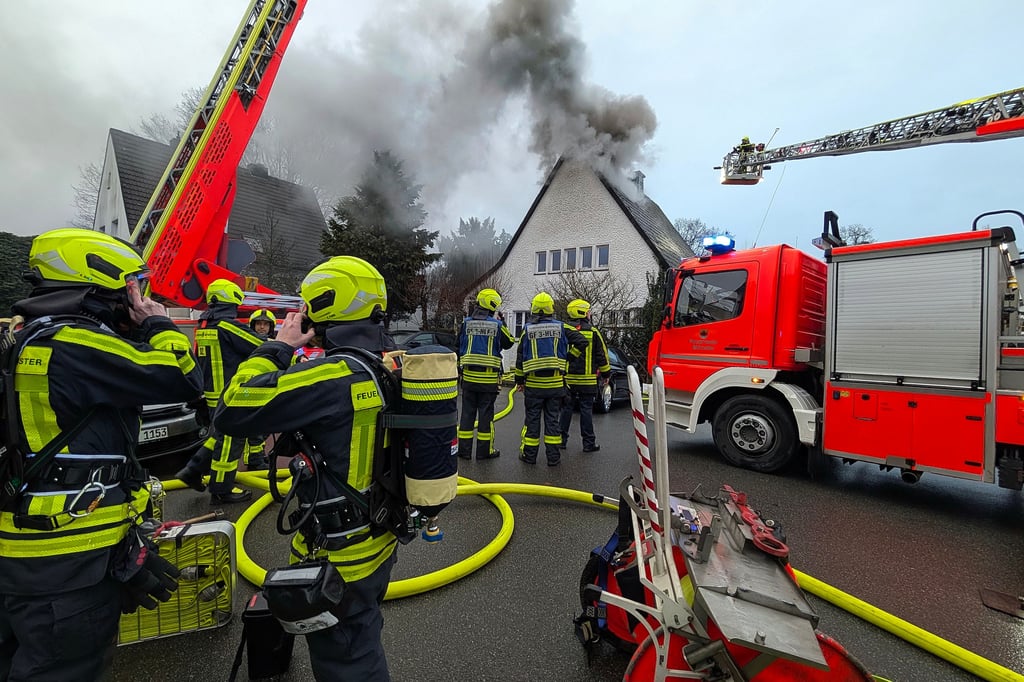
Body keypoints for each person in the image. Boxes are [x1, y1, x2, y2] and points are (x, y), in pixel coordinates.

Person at [0, 229, 202, 680]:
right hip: (67, 562)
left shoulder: (24, 337)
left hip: (24, 550)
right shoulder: (76, 341)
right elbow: (181, 377)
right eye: (133, 287)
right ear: (105, 285)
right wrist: (159, 324)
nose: (139, 297)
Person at [213, 255, 399, 681]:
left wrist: (277, 346)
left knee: (347, 661)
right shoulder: (381, 366)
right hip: (377, 539)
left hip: (340, 555)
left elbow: (232, 408)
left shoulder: (331, 376)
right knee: (361, 639)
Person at [175, 279, 265, 501]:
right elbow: (261, 345)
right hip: (229, 393)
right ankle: (221, 489)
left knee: (220, 435)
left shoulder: (204, 326)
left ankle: (193, 471)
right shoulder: (227, 326)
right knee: (230, 441)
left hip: (213, 394)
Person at [515, 292, 587, 466]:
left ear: (533, 309)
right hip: (555, 386)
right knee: (552, 420)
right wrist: (569, 357)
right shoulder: (561, 327)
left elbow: (520, 357)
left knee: (532, 421)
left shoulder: (527, 329)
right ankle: (553, 458)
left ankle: (530, 456)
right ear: (550, 308)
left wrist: (519, 380)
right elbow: (582, 341)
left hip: (533, 385)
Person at [456, 288, 515, 460]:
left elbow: (457, 345)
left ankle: (464, 451)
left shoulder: (466, 323)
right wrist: (502, 322)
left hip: (468, 379)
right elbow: (510, 342)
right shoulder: (496, 325)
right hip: (488, 381)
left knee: (467, 415)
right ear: (493, 304)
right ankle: (484, 452)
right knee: (485, 416)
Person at [559, 299, 611, 453]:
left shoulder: (564, 330)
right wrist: (606, 374)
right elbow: (602, 355)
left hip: (568, 379)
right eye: (588, 311)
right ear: (583, 313)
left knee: (566, 410)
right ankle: (588, 444)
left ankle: (561, 440)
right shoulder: (593, 332)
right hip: (587, 381)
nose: (590, 314)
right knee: (586, 410)